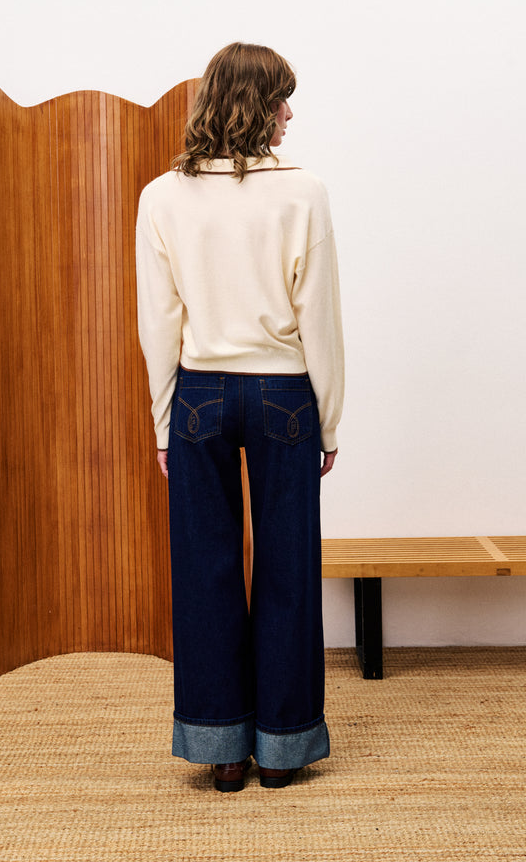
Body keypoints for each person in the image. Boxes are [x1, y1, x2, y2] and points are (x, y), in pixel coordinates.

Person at [135, 41, 344, 792]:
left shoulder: (163, 195)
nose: (289, 114)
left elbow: (158, 322)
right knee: (289, 568)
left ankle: (223, 748)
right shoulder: (303, 192)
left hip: (200, 395)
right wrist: (328, 420)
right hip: (284, 394)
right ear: (257, 105)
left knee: (204, 569)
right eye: (282, 99)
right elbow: (319, 317)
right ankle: (282, 749)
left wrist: (164, 420)